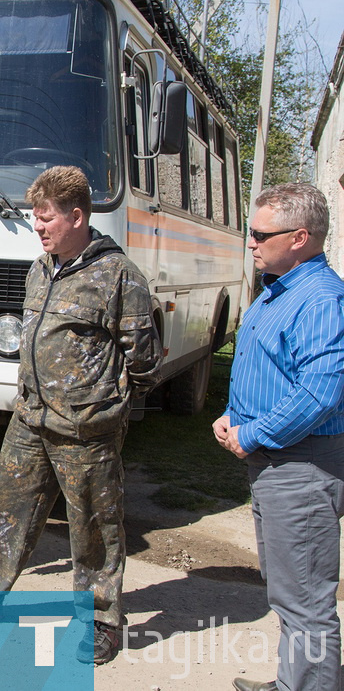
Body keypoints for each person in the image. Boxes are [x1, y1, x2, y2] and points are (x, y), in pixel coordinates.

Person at [0, 166, 160, 665]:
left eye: (45, 219)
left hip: (86, 427)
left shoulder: (119, 276)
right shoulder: (40, 267)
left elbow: (142, 358)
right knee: (4, 508)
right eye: (35, 219)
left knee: (93, 526)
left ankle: (102, 619)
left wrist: (105, 406)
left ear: (77, 216)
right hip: (30, 418)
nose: (38, 228)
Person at [212, 183, 344, 691]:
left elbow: (319, 394)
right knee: (289, 589)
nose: (250, 241)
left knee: (306, 599)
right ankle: (298, 681)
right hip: (276, 462)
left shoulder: (320, 300)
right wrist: (232, 414)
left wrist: (254, 433)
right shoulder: (279, 288)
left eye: (260, 233)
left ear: (300, 238)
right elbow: (270, 369)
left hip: (301, 466)